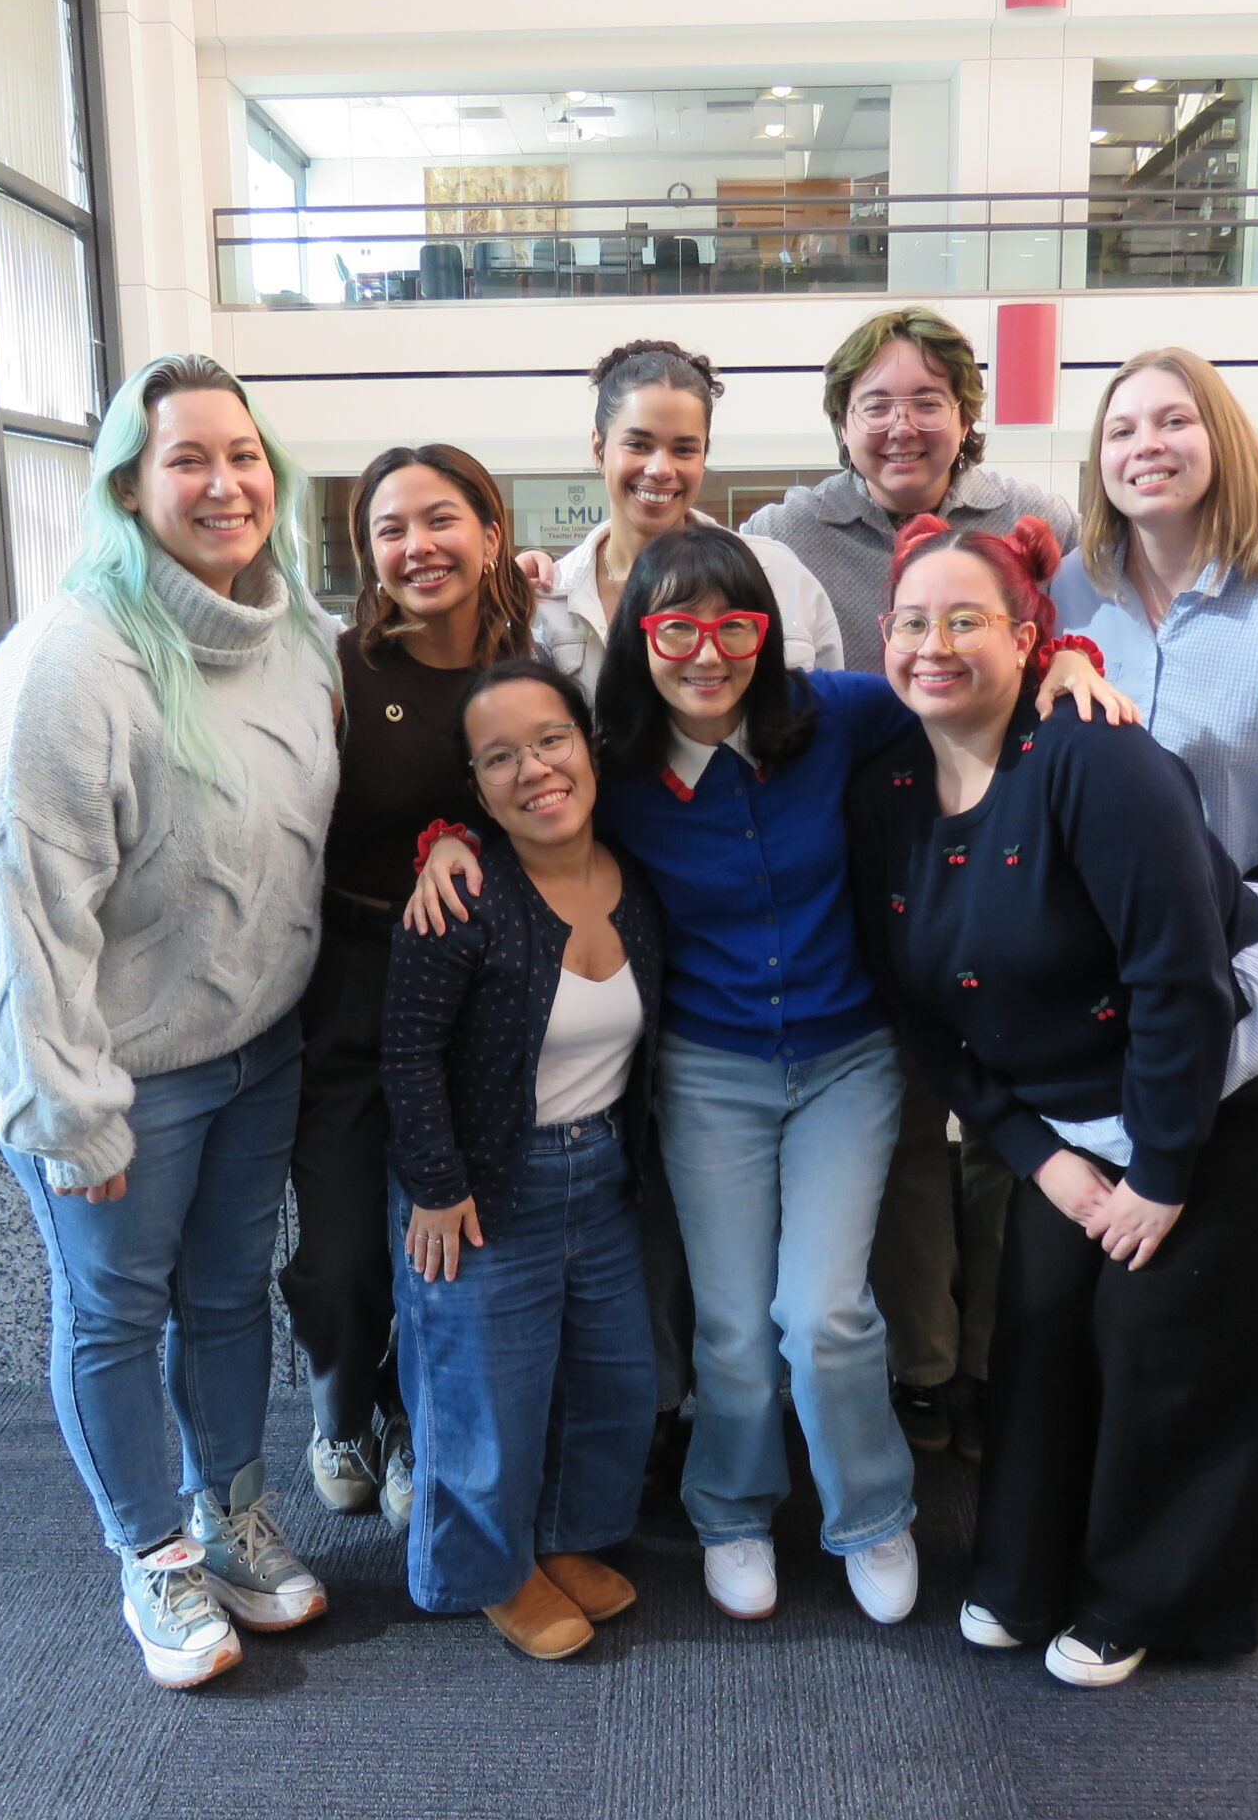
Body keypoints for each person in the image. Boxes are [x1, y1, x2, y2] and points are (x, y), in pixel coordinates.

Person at [846, 513, 1258, 1690]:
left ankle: (1146, 1598)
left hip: (1250, 1055)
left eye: (966, 620)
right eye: (912, 622)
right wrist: (1038, 1155)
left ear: (1031, 637)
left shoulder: (1096, 756)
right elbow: (917, 1010)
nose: (934, 644)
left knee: (1160, 1328)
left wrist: (1163, 1174)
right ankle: (1023, 1576)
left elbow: (1182, 982)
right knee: (1042, 1310)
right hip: (1073, 1096)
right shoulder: (885, 786)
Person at [413, 527, 919, 1627]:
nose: (707, 651)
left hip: (846, 1063)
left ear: (765, 631)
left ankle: (872, 1512)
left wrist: (1065, 654)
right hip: (711, 1070)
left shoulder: (834, 714)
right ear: (639, 640)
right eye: (675, 627)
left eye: (734, 625)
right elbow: (519, 792)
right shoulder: (621, 770)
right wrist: (445, 837)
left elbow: (958, 688)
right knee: (732, 1327)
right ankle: (731, 1508)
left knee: (822, 1313)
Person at [0, 353, 339, 1690]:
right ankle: (154, 1556)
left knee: (230, 1296)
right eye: (189, 458)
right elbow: (25, 911)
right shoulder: (71, 661)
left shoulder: (295, 636)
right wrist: (69, 1109)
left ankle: (230, 1511)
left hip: (256, 1049)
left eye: (244, 456)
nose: (224, 483)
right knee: (114, 1311)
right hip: (118, 1066)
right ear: (130, 483)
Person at [1049, 347, 1258, 1533]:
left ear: (1221, 441)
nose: (1144, 445)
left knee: (1255, 1240)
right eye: (1120, 429)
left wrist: (1244, 983)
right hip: (1136, 949)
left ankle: (1244, 1508)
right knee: (1145, 1259)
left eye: (1172, 422)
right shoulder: (1071, 590)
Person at [743, 306, 1091, 1463]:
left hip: (1019, 865)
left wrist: (1078, 654)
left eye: (927, 400)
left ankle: (1000, 1360)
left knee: (1013, 1136)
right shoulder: (784, 531)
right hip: (870, 873)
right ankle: (926, 1366)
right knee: (895, 1134)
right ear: (841, 419)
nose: (902, 425)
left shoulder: (1039, 518)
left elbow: (1088, 641)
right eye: (875, 403)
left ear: (966, 413)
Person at [379, 660, 664, 1659]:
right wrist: (435, 1184)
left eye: (550, 739)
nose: (532, 769)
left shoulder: (636, 878)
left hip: (603, 1177)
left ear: (588, 745)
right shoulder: (461, 898)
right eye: (498, 758)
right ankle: (489, 1574)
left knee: (616, 1381)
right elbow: (406, 1053)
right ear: (474, 785)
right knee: (483, 1402)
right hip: (484, 1189)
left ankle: (564, 1542)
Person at [282, 443, 535, 1523]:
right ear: (366, 553)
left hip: (480, 994)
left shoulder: (534, 664)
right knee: (342, 1261)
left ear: (490, 533)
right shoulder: (337, 667)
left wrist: (457, 837)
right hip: (351, 977)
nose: (417, 547)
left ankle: (402, 1415)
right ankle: (341, 1404)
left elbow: (562, 805)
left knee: (449, 1240)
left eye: (441, 520)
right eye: (390, 529)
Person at [528, 339, 843, 696]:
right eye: (639, 445)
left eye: (683, 449)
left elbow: (828, 720)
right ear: (599, 449)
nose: (661, 468)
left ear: (704, 454)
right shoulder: (548, 600)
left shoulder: (777, 575)